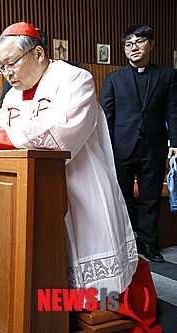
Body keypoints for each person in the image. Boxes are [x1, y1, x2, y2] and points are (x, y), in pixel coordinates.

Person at [0, 22, 161, 332]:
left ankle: (88, 307)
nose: (7, 72)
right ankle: (48, 310)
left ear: (38, 53)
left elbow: (61, 132)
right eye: (1, 67)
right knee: (48, 265)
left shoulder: (75, 78)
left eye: (11, 63)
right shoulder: (13, 94)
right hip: (32, 191)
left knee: (89, 277)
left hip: (81, 186)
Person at [100, 25, 177, 263]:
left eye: (139, 42)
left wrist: (174, 141)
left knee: (150, 197)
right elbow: (106, 116)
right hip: (121, 147)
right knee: (120, 196)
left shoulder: (167, 76)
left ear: (151, 44)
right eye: (128, 44)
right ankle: (125, 241)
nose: (133, 48)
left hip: (154, 146)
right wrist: (105, 147)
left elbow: (173, 111)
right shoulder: (113, 78)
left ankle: (147, 242)